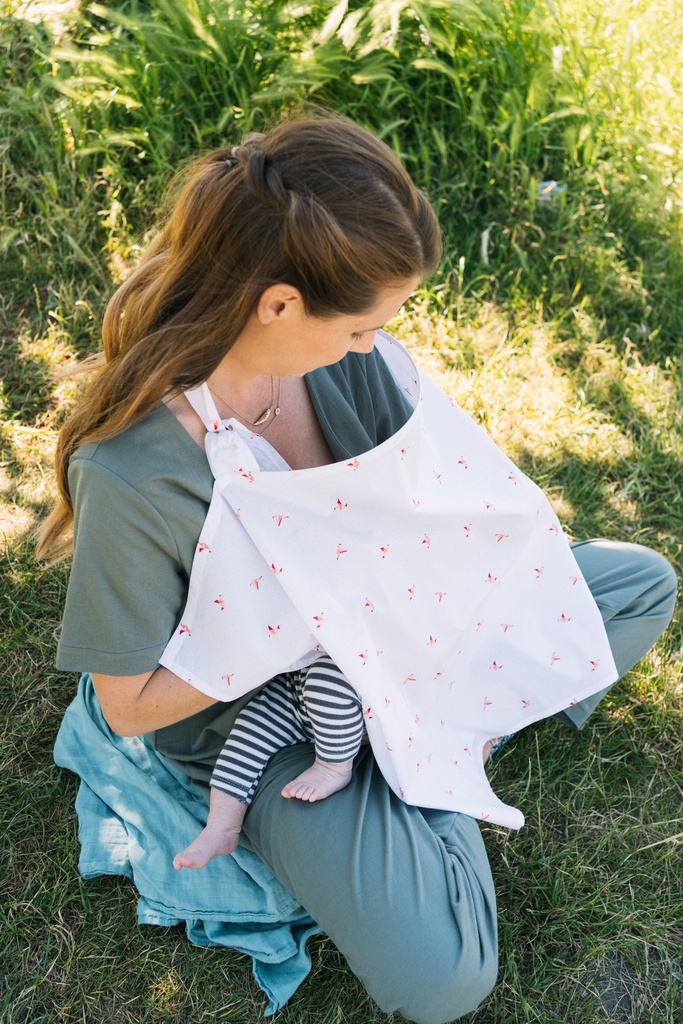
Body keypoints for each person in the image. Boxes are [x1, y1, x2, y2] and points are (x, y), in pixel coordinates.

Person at [40, 113, 677, 1024]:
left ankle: (426, 745)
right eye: (361, 325)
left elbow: (411, 516)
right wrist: (293, 620)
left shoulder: (332, 367)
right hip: (264, 715)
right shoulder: (135, 472)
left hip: (397, 628)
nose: (372, 345)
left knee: (639, 585)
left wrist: (457, 561)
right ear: (279, 304)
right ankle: (436, 759)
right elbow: (127, 707)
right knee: (443, 978)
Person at [174, 651, 366, 870]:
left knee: (330, 679)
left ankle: (333, 767)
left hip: (359, 679)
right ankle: (221, 826)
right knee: (249, 731)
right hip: (295, 690)